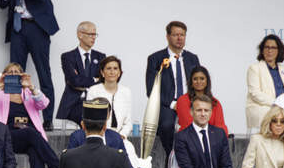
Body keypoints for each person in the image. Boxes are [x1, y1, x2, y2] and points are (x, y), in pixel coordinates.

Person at [0, 62, 58, 168]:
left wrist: (32, 87)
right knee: (29, 131)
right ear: (4, 75)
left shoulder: (28, 93)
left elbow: (44, 104)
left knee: (36, 153)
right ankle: (55, 163)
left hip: (28, 138)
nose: (14, 74)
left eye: (17, 72)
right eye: (10, 72)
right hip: (6, 136)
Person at [0, 0, 59, 131]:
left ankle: (48, 119)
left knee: (44, 73)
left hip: (37, 27)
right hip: (18, 29)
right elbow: (2, 4)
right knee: (14, 75)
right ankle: (14, 117)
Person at [145, 21, 200, 158]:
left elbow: (199, 83)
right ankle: (172, 158)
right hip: (167, 104)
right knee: (166, 125)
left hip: (190, 103)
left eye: (182, 35)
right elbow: (151, 89)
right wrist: (172, 104)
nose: (179, 38)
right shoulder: (155, 59)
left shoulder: (192, 59)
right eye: (175, 35)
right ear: (168, 37)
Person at [56, 21, 104, 125]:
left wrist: (83, 81)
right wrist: (94, 79)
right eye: (90, 34)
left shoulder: (101, 57)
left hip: (95, 101)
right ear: (80, 35)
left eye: (95, 34)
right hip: (74, 103)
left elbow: (103, 81)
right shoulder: (67, 57)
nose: (94, 38)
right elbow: (74, 81)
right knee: (88, 116)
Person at [246, 34, 284, 133]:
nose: (270, 51)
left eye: (273, 48)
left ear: (279, 51)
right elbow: (255, 93)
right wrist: (276, 103)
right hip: (264, 107)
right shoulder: (254, 68)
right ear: (262, 50)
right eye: (267, 47)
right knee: (274, 116)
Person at [87, 56, 132, 139]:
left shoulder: (126, 91)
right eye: (108, 68)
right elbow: (89, 119)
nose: (112, 72)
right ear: (102, 72)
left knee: (130, 151)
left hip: (120, 137)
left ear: (119, 73)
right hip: (99, 137)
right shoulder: (93, 91)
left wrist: (121, 136)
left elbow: (128, 123)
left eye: (115, 68)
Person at [175, 65, 228, 134]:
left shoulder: (215, 103)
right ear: (191, 82)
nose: (198, 82)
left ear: (207, 81)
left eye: (202, 78)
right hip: (189, 138)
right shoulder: (183, 100)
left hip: (211, 138)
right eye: (195, 79)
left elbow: (220, 126)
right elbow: (187, 124)